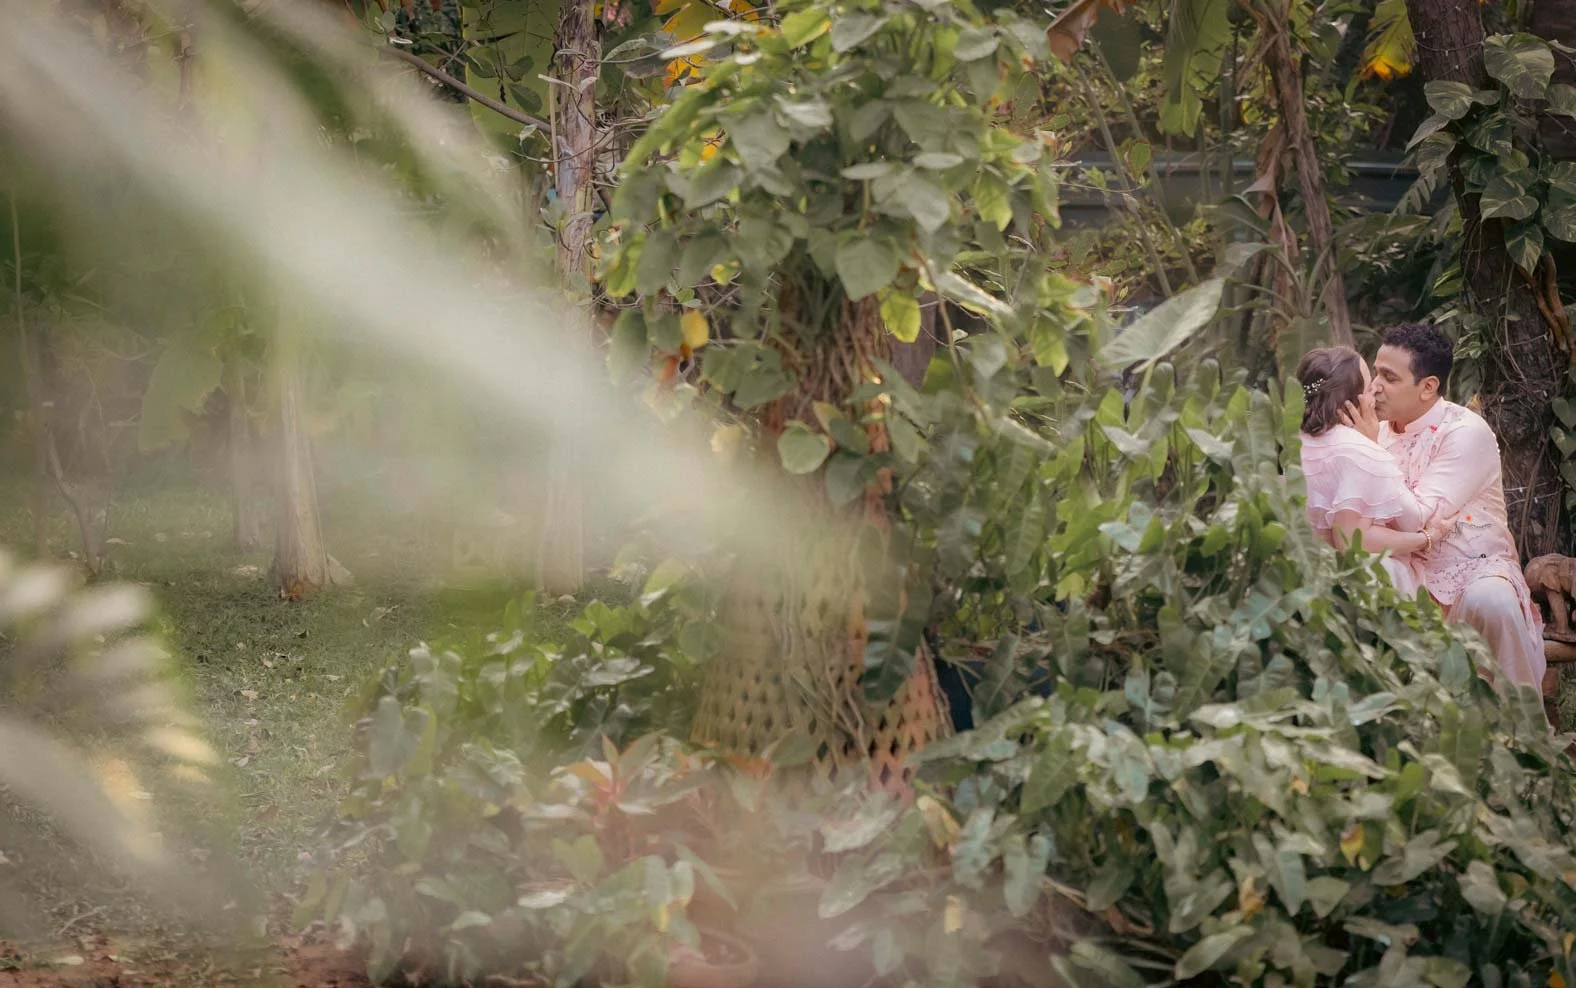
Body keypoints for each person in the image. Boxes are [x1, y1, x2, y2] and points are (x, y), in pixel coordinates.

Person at [1351, 323, 1545, 688]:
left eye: (1389, 377)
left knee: (1492, 602)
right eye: (1376, 372)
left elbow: (1417, 518)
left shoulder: (1465, 433)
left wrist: (1368, 450)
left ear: (1428, 387)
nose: (1374, 386)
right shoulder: (1374, 430)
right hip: (1402, 563)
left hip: (1473, 566)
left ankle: (1522, 732)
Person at [1296, 346, 1433, 596]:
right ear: (1352, 399)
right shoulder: (1359, 450)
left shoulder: (1285, 441)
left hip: (1291, 572)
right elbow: (1350, 542)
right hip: (1351, 584)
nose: (1374, 395)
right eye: (1369, 388)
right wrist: (1424, 540)